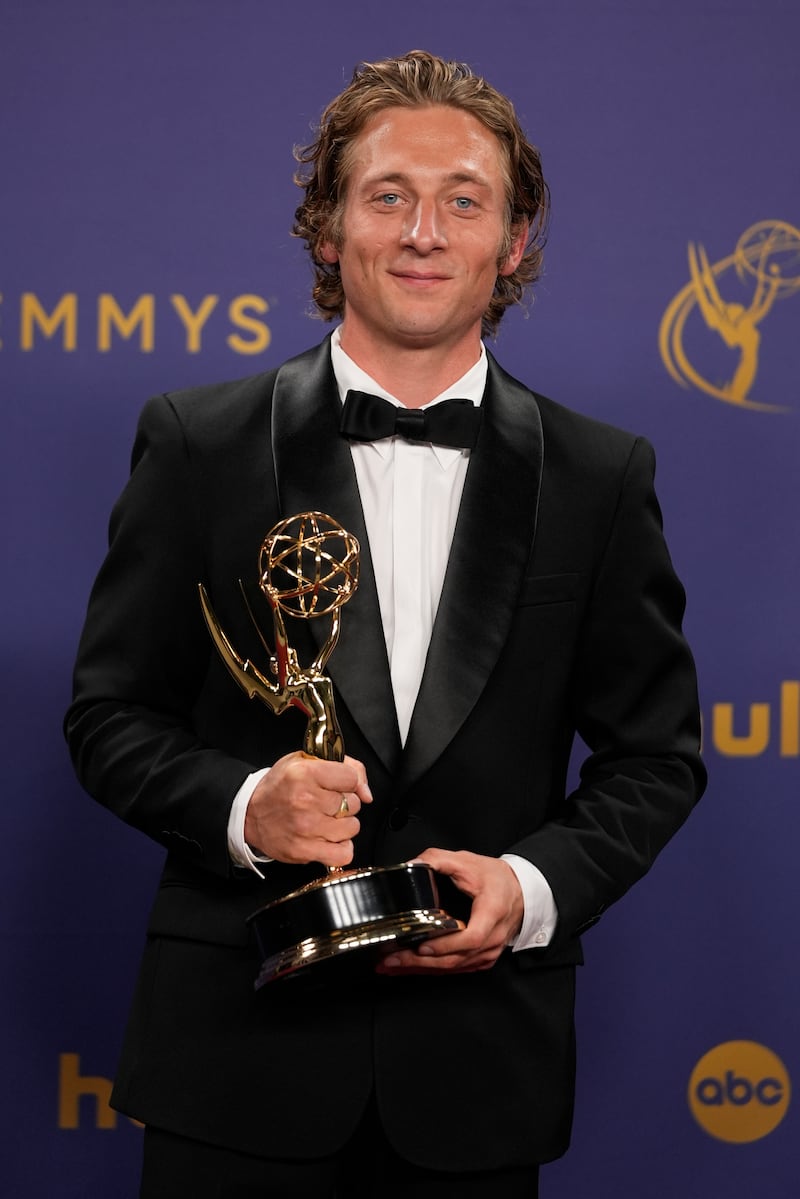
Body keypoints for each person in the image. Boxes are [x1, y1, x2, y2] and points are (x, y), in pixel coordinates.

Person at [65, 49, 706, 1198]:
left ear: (512, 243)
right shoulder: (197, 443)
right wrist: (244, 804)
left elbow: (653, 756)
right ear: (327, 228)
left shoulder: (600, 477)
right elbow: (109, 716)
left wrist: (529, 885)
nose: (424, 230)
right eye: (387, 195)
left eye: (464, 199)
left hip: (475, 1071)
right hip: (233, 1057)